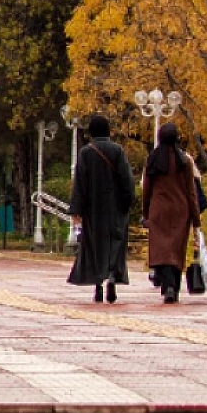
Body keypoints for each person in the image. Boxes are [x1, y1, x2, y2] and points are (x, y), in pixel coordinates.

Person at [69, 114, 136, 303]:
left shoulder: (86, 153)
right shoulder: (117, 150)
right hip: (115, 209)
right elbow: (127, 180)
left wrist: (77, 209)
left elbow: (80, 183)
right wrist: (127, 203)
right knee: (115, 243)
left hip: (93, 210)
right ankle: (113, 278)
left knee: (95, 246)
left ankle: (98, 283)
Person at [142, 122, 200, 304]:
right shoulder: (184, 160)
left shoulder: (152, 159)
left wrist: (146, 212)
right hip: (180, 210)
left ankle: (166, 284)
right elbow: (192, 191)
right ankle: (174, 286)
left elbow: (146, 189)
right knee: (176, 249)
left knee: (162, 249)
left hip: (158, 209)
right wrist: (196, 218)